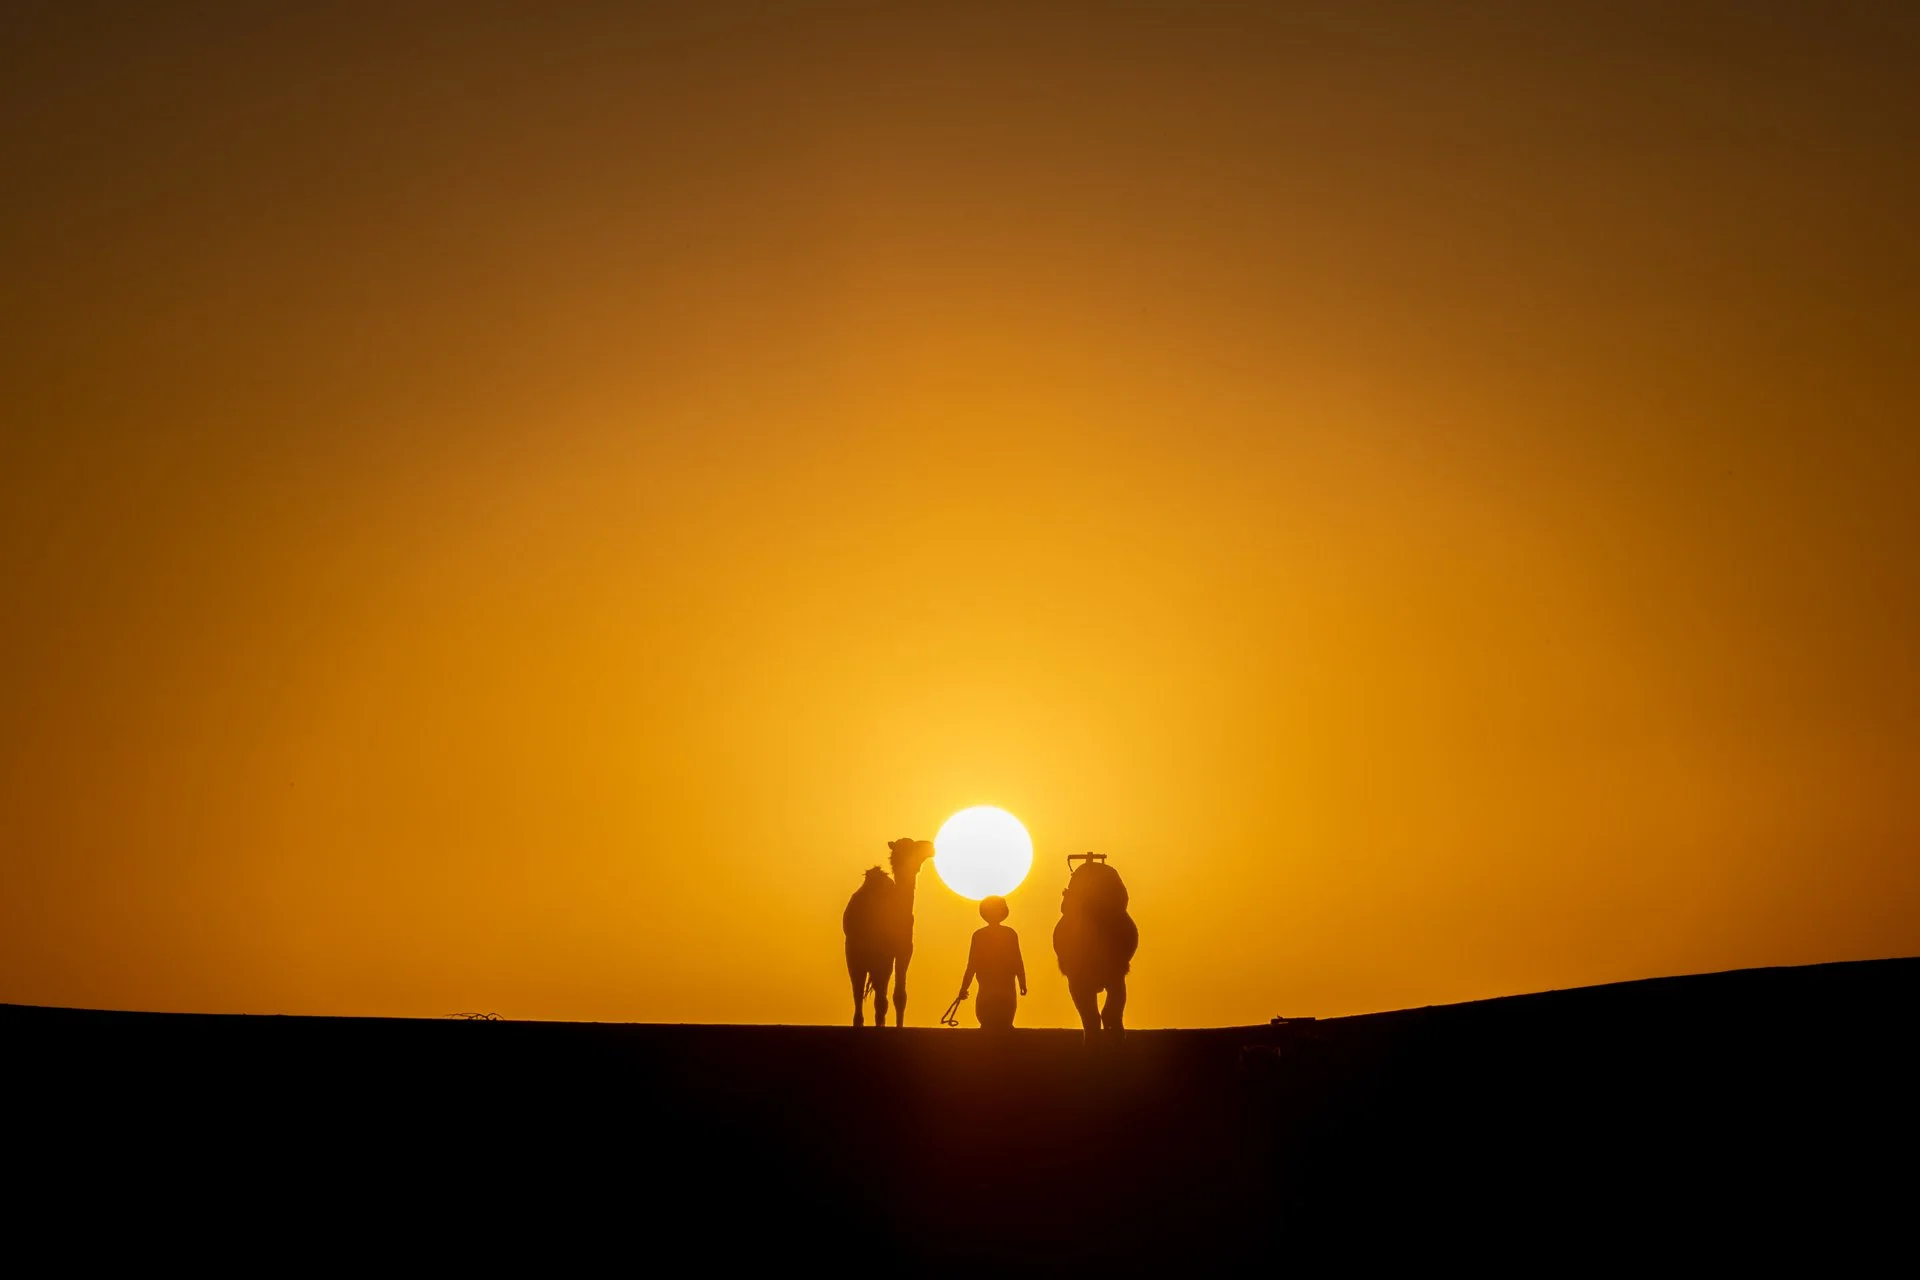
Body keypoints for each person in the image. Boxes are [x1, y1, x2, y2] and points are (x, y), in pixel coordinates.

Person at [957, 895, 1026, 1032]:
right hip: (1001, 988)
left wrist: (964, 988)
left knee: (991, 1021)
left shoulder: (980, 935)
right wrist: (1022, 982)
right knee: (1000, 1021)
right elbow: (1017, 961)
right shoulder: (1009, 934)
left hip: (993, 988)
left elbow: (971, 965)